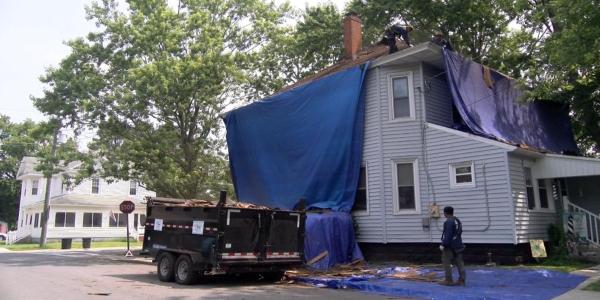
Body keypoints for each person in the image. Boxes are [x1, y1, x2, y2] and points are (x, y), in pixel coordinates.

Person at [440, 206, 466, 286]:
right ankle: (462, 280)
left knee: (446, 262)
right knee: (459, 263)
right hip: (458, 245)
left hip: (450, 246)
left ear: (445, 213)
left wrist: (443, 244)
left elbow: (448, 235)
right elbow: (459, 233)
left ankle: (448, 280)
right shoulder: (457, 221)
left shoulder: (449, 222)